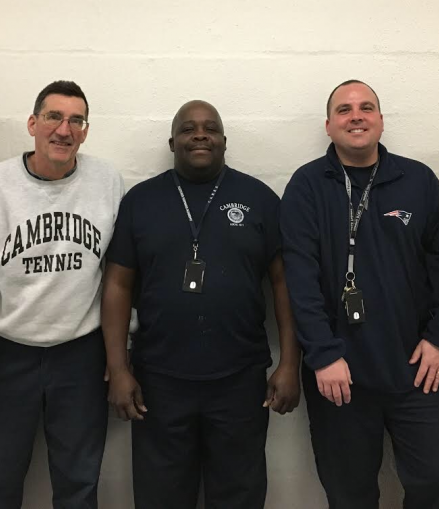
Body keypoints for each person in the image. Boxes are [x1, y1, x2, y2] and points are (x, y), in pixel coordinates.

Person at [101, 100, 301, 509]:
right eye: (188, 128)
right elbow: (118, 286)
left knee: (239, 494)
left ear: (224, 141)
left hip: (240, 379)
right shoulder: (141, 201)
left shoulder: (259, 198)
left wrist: (290, 363)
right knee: (162, 496)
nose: (199, 134)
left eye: (210, 128)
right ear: (171, 140)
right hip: (158, 380)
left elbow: (284, 284)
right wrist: (119, 369)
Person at [281, 79, 439, 509]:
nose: (356, 116)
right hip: (339, 376)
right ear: (329, 125)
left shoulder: (418, 181)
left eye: (366, 107)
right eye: (344, 110)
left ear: (381, 121)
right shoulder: (307, 186)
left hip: (418, 368)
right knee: (350, 495)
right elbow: (299, 280)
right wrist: (323, 354)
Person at [0, 80, 123, 509]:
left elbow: (120, 275)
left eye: (76, 120)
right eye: (53, 117)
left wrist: (123, 347)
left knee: (79, 483)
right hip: (8, 355)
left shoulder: (107, 182)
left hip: (81, 354)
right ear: (32, 123)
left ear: (85, 130)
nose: (64, 129)